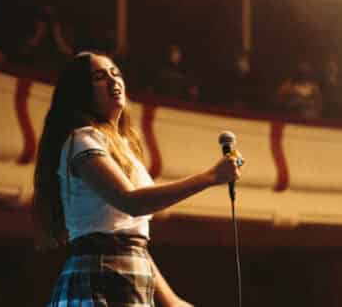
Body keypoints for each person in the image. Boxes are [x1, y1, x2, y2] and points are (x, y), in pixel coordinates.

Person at [33, 51, 242, 307]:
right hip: (99, 276)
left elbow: (130, 237)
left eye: (115, 73)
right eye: (99, 77)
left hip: (127, 273)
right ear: (80, 92)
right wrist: (211, 176)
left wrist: (173, 302)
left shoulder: (121, 146)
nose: (113, 81)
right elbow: (131, 203)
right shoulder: (81, 140)